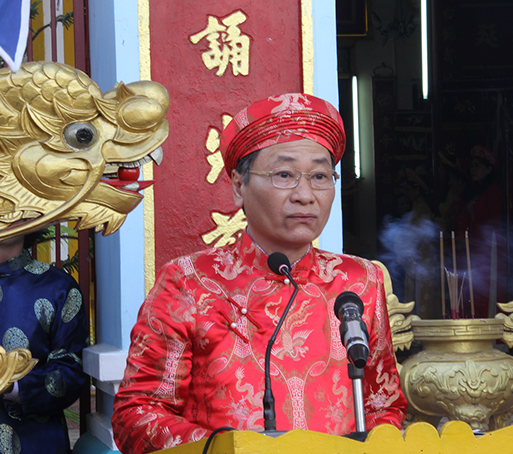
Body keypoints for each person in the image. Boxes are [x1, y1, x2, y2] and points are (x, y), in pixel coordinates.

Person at [111, 93, 408, 453]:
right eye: (284, 175)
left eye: (320, 176)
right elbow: (138, 413)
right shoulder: (189, 283)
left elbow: (383, 405)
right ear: (239, 185)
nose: (305, 194)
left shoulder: (358, 281)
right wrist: (230, 449)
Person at [0, 230, 88, 454]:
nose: (7, 211)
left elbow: (72, 371)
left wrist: (6, 383)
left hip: (33, 442)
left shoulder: (58, 287)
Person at [451, 145, 505, 318]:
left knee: (487, 290)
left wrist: (474, 240)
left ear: (489, 169)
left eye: (477, 166)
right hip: (474, 249)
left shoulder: (493, 191)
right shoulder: (476, 192)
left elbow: (492, 222)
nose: (473, 170)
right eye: (472, 166)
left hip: (489, 249)